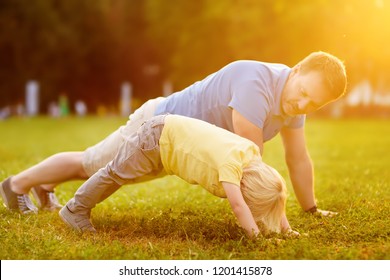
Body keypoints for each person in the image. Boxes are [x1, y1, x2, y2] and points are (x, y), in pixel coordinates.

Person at [0, 51, 347, 232]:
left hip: (175, 146)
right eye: (302, 93)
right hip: (157, 126)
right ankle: (16, 185)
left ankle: (44, 187)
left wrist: (311, 209)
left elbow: (298, 158)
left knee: (105, 169)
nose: (301, 105)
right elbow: (251, 160)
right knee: (92, 164)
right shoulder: (257, 80)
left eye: (312, 104)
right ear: (297, 69)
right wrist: (268, 220)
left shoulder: (293, 104)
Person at [59, 114, 288, 237]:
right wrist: (256, 238)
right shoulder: (231, 166)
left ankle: (79, 207)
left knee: (118, 176)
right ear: (247, 188)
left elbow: (275, 193)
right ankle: (74, 209)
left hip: (164, 137)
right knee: (113, 174)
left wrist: (286, 228)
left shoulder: (252, 155)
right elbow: (239, 207)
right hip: (156, 138)